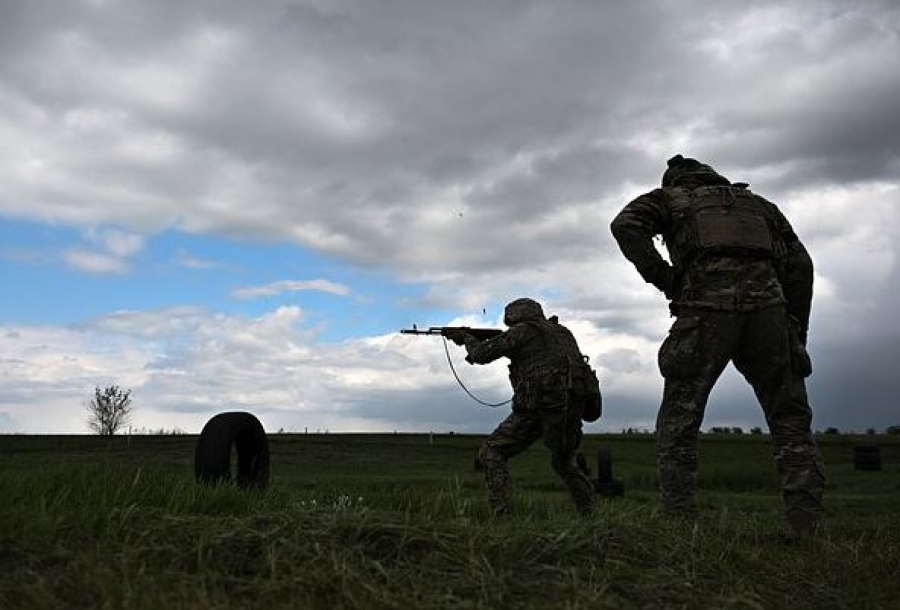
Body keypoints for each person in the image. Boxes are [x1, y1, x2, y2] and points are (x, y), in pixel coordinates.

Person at [609, 154, 825, 535]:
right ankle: (805, 522)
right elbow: (800, 265)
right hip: (769, 312)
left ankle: (679, 520)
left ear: (676, 181)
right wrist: (794, 330)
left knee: (680, 416)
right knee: (790, 418)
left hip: (704, 310)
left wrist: (666, 279)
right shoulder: (760, 206)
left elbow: (625, 225)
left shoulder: (668, 199)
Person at [445, 298, 598, 517]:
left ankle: (502, 515)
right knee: (564, 463)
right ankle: (591, 514)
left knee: (492, 451)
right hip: (570, 406)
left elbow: (481, 355)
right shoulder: (562, 332)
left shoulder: (523, 331)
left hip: (538, 406)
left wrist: (467, 338)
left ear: (515, 316)